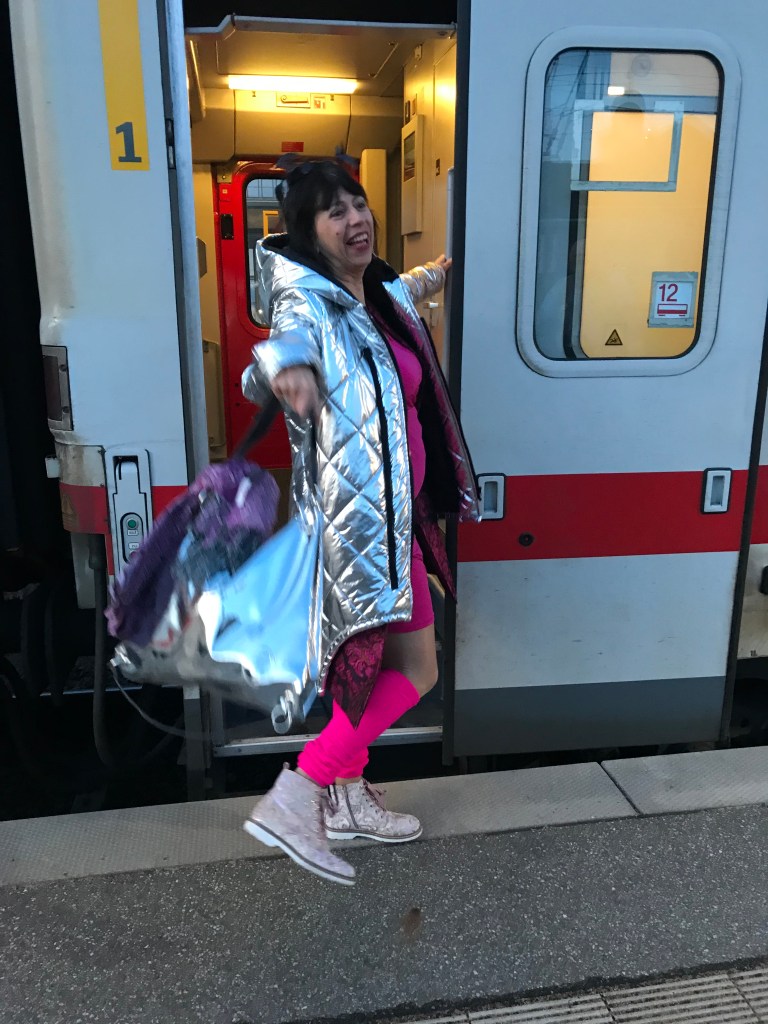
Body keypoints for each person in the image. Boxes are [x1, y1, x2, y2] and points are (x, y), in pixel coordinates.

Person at [241, 160, 479, 885]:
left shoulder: (374, 295)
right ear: (308, 233)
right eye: (335, 211)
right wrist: (282, 372)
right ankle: (303, 791)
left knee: (373, 670)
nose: (356, 220)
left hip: (396, 520)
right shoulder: (306, 304)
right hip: (360, 530)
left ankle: (340, 797)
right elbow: (273, 355)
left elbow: (406, 290)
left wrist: (438, 273)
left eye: (360, 203)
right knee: (415, 667)